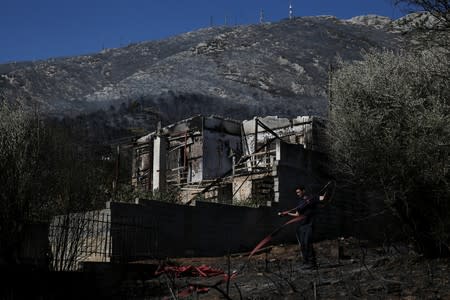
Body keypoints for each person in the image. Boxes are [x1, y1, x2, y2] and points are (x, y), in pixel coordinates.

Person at [285, 185, 326, 270]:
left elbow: (323, 198)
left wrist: (327, 192)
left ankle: (312, 263)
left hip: (309, 224)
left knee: (307, 242)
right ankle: (305, 262)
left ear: (303, 191)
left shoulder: (312, 197)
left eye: (299, 192)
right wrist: (287, 214)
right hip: (301, 226)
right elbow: (297, 214)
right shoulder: (300, 202)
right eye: (297, 193)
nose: (298, 194)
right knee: (303, 244)